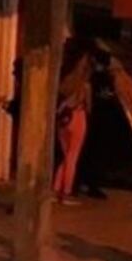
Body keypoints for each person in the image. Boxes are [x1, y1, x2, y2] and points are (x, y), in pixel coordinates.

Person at [75, 48, 117, 200]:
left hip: (93, 120)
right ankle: (91, 184)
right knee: (96, 154)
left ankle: (81, 182)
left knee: (86, 152)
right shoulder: (107, 79)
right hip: (102, 121)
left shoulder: (93, 78)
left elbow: (90, 103)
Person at [53, 47, 93, 205]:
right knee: (72, 156)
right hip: (78, 117)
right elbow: (89, 107)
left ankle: (56, 188)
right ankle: (66, 192)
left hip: (63, 119)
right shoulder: (85, 85)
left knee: (65, 156)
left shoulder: (66, 80)